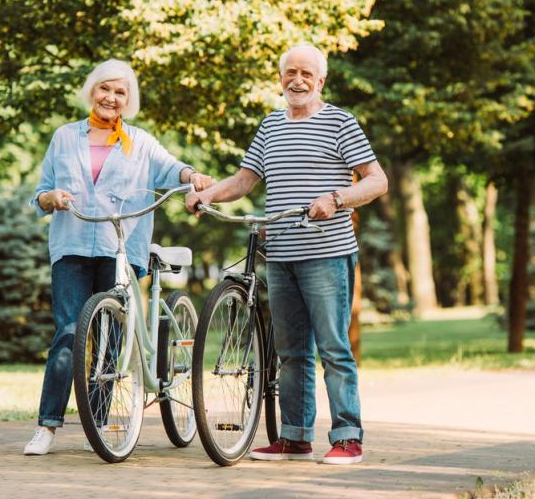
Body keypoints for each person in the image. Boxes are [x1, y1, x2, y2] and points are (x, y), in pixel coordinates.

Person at [186, 43, 388, 465]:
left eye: (306, 74)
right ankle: (295, 437)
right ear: (280, 79)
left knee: (333, 348)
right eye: (289, 73)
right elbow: (244, 180)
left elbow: (376, 181)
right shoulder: (270, 126)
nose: (297, 80)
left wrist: (337, 198)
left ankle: (348, 437)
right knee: (291, 351)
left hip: (327, 253)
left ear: (321, 81)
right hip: (279, 254)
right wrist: (206, 195)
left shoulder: (340, 123)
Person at [24, 59, 214, 455]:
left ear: (129, 100)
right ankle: (48, 426)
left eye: (120, 92)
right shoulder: (64, 137)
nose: (111, 97)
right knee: (69, 333)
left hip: (119, 250)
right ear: (92, 91)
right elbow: (40, 193)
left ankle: (97, 422)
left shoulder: (140, 142)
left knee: (111, 337)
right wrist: (51, 197)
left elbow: (170, 167)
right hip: (71, 247)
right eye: (105, 89)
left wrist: (192, 176)